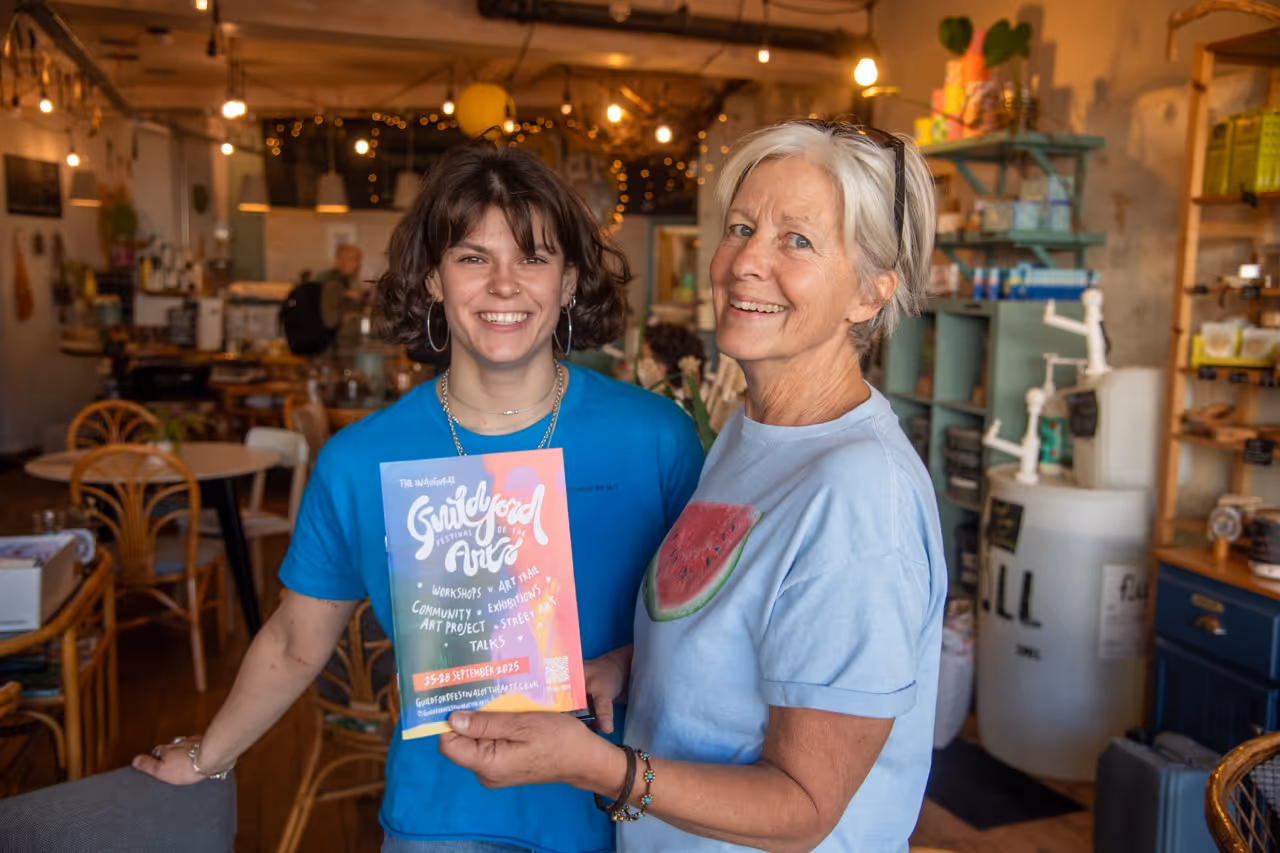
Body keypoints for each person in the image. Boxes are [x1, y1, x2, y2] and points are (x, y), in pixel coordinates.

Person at [133, 140, 706, 853]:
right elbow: (293, 638)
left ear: (569, 282)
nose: (504, 285)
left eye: (533, 258)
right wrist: (206, 757)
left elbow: (707, 630)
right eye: (473, 258)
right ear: (434, 279)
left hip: (627, 816)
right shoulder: (358, 461)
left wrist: (621, 661)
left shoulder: (656, 438)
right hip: (443, 818)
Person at [437, 117, 948, 852]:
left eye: (797, 241)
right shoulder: (750, 433)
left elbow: (805, 808)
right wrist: (625, 667)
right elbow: (733, 634)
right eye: (741, 228)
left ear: (869, 293)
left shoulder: (862, 495)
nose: (746, 262)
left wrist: (597, 767)